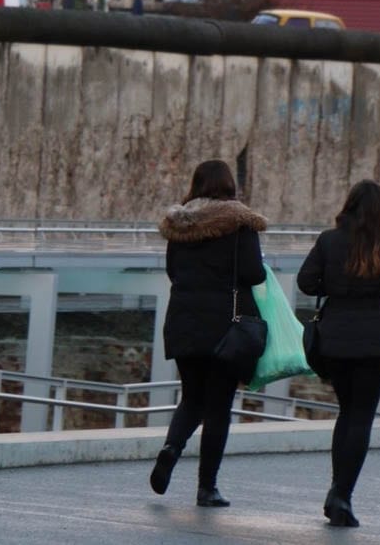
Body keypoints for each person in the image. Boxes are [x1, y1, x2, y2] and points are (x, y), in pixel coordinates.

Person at [297, 179, 380, 528]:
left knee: (346, 413)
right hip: (374, 342)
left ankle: (338, 489)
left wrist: (333, 286)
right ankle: (342, 494)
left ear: (348, 205)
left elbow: (306, 282)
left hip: (335, 339)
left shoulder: (329, 241)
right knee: (361, 418)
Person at [150, 159, 267, 507]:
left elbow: (174, 272)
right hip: (224, 326)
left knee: (192, 398)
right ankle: (207, 487)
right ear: (229, 185)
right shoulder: (239, 223)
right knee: (218, 407)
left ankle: (171, 448)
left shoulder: (180, 224)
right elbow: (253, 273)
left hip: (184, 322)